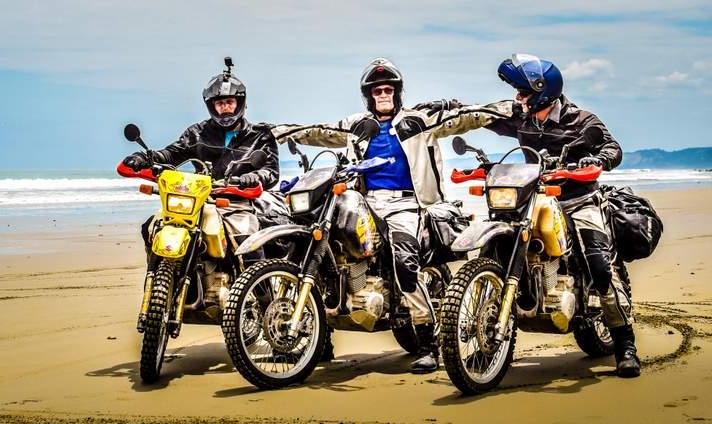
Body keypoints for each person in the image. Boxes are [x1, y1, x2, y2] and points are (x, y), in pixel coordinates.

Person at [271, 57, 513, 373]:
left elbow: (461, 119)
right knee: (323, 249)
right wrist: (273, 131)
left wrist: (507, 108)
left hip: (406, 204)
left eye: (388, 90)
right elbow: (319, 132)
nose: (383, 95)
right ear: (368, 96)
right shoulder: (357, 124)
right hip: (364, 200)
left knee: (405, 260)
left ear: (397, 93)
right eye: (376, 91)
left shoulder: (419, 120)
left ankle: (429, 345)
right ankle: (320, 339)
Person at [485, 54, 639, 377]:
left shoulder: (582, 120)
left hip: (578, 200)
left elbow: (613, 147)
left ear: (541, 91)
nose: (518, 98)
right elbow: (487, 118)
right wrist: (465, 113)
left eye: (523, 92)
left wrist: (595, 162)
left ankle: (625, 345)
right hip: (534, 198)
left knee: (599, 265)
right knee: (497, 242)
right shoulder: (522, 119)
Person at [122, 58, 280, 266]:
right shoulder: (197, 133)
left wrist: (254, 177)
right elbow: (172, 154)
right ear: (212, 106)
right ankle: (158, 281)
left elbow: (271, 171)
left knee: (247, 241)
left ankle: (262, 294)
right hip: (198, 199)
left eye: (229, 102)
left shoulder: (260, 135)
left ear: (239, 103)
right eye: (220, 103)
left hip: (237, 202)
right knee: (151, 227)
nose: (225, 108)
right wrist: (145, 158)